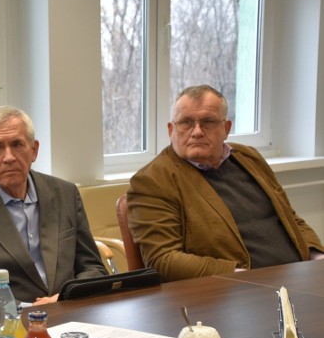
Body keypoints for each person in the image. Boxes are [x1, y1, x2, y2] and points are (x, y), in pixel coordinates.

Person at [127, 84, 324, 282]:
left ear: (226, 128)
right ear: (171, 130)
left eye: (208, 122)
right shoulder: (152, 181)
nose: (196, 132)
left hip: (298, 276)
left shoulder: (249, 157)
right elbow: (163, 260)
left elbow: (289, 216)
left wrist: (317, 255)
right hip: (234, 292)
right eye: (186, 122)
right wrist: (240, 276)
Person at [0, 105, 107, 314]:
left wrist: (64, 297)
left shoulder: (65, 194)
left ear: (34, 150)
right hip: (5, 327)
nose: (9, 157)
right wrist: (21, 308)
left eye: (17, 145)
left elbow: (94, 269)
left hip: (69, 315)